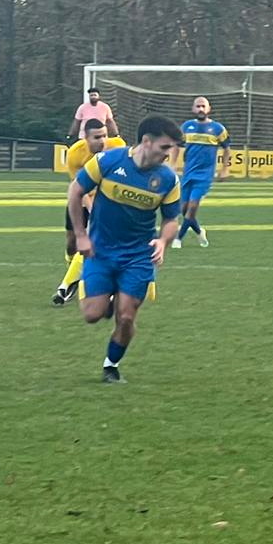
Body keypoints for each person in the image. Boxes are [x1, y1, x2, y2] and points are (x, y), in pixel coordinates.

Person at [68, 116, 182, 383]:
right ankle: (106, 300)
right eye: (165, 147)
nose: (169, 154)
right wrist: (81, 235)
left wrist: (163, 241)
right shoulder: (108, 162)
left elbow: (170, 220)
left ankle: (111, 366)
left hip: (138, 256)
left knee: (127, 316)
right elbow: (75, 192)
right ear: (146, 141)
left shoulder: (168, 180)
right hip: (101, 251)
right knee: (91, 315)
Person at [53, 118, 125, 305]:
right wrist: (92, 208)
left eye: (104, 136)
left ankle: (66, 286)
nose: (102, 141)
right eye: (97, 137)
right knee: (71, 242)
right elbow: (78, 187)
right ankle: (73, 270)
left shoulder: (117, 146)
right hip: (81, 198)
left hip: (108, 199)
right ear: (86, 138)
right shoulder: (75, 153)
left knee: (92, 240)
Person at [173, 96, 229, 249]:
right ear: (193, 109)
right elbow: (176, 146)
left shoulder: (218, 129)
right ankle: (199, 231)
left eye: (203, 106)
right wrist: (172, 164)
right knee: (184, 210)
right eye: (198, 106)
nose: (200, 109)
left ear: (209, 109)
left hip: (205, 175)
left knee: (192, 208)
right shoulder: (186, 127)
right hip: (188, 173)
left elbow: (226, 149)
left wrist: (224, 169)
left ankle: (178, 238)